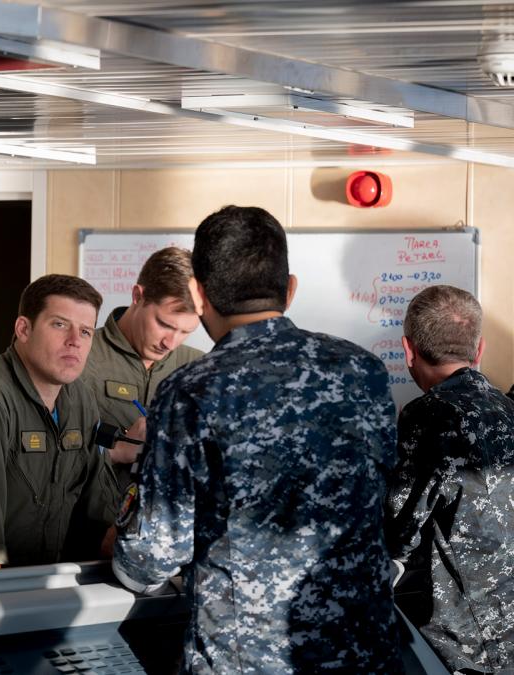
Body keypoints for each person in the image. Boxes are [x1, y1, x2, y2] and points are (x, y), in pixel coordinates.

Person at [112, 206, 400, 672]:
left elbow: (149, 556)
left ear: (197, 294)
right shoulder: (361, 371)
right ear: (289, 289)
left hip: (247, 660)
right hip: (364, 652)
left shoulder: (193, 390)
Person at [385, 285, 514, 672]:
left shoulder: (430, 415)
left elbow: (401, 528)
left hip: (461, 635)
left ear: (408, 350)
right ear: (479, 350)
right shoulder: (507, 408)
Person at [0, 274, 109, 568]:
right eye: (60, 324)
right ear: (24, 329)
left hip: (56, 582)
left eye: (86, 331)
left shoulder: (81, 400)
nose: (75, 341)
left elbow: (96, 516)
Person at [78, 247, 203, 511]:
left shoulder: (200, 369)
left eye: (185, 331)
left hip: (166, 539)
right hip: (83, 539)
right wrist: (115, 449)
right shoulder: (79, 357)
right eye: (165, 324)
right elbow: (42, 462)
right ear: (138, 296)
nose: (171, 342)